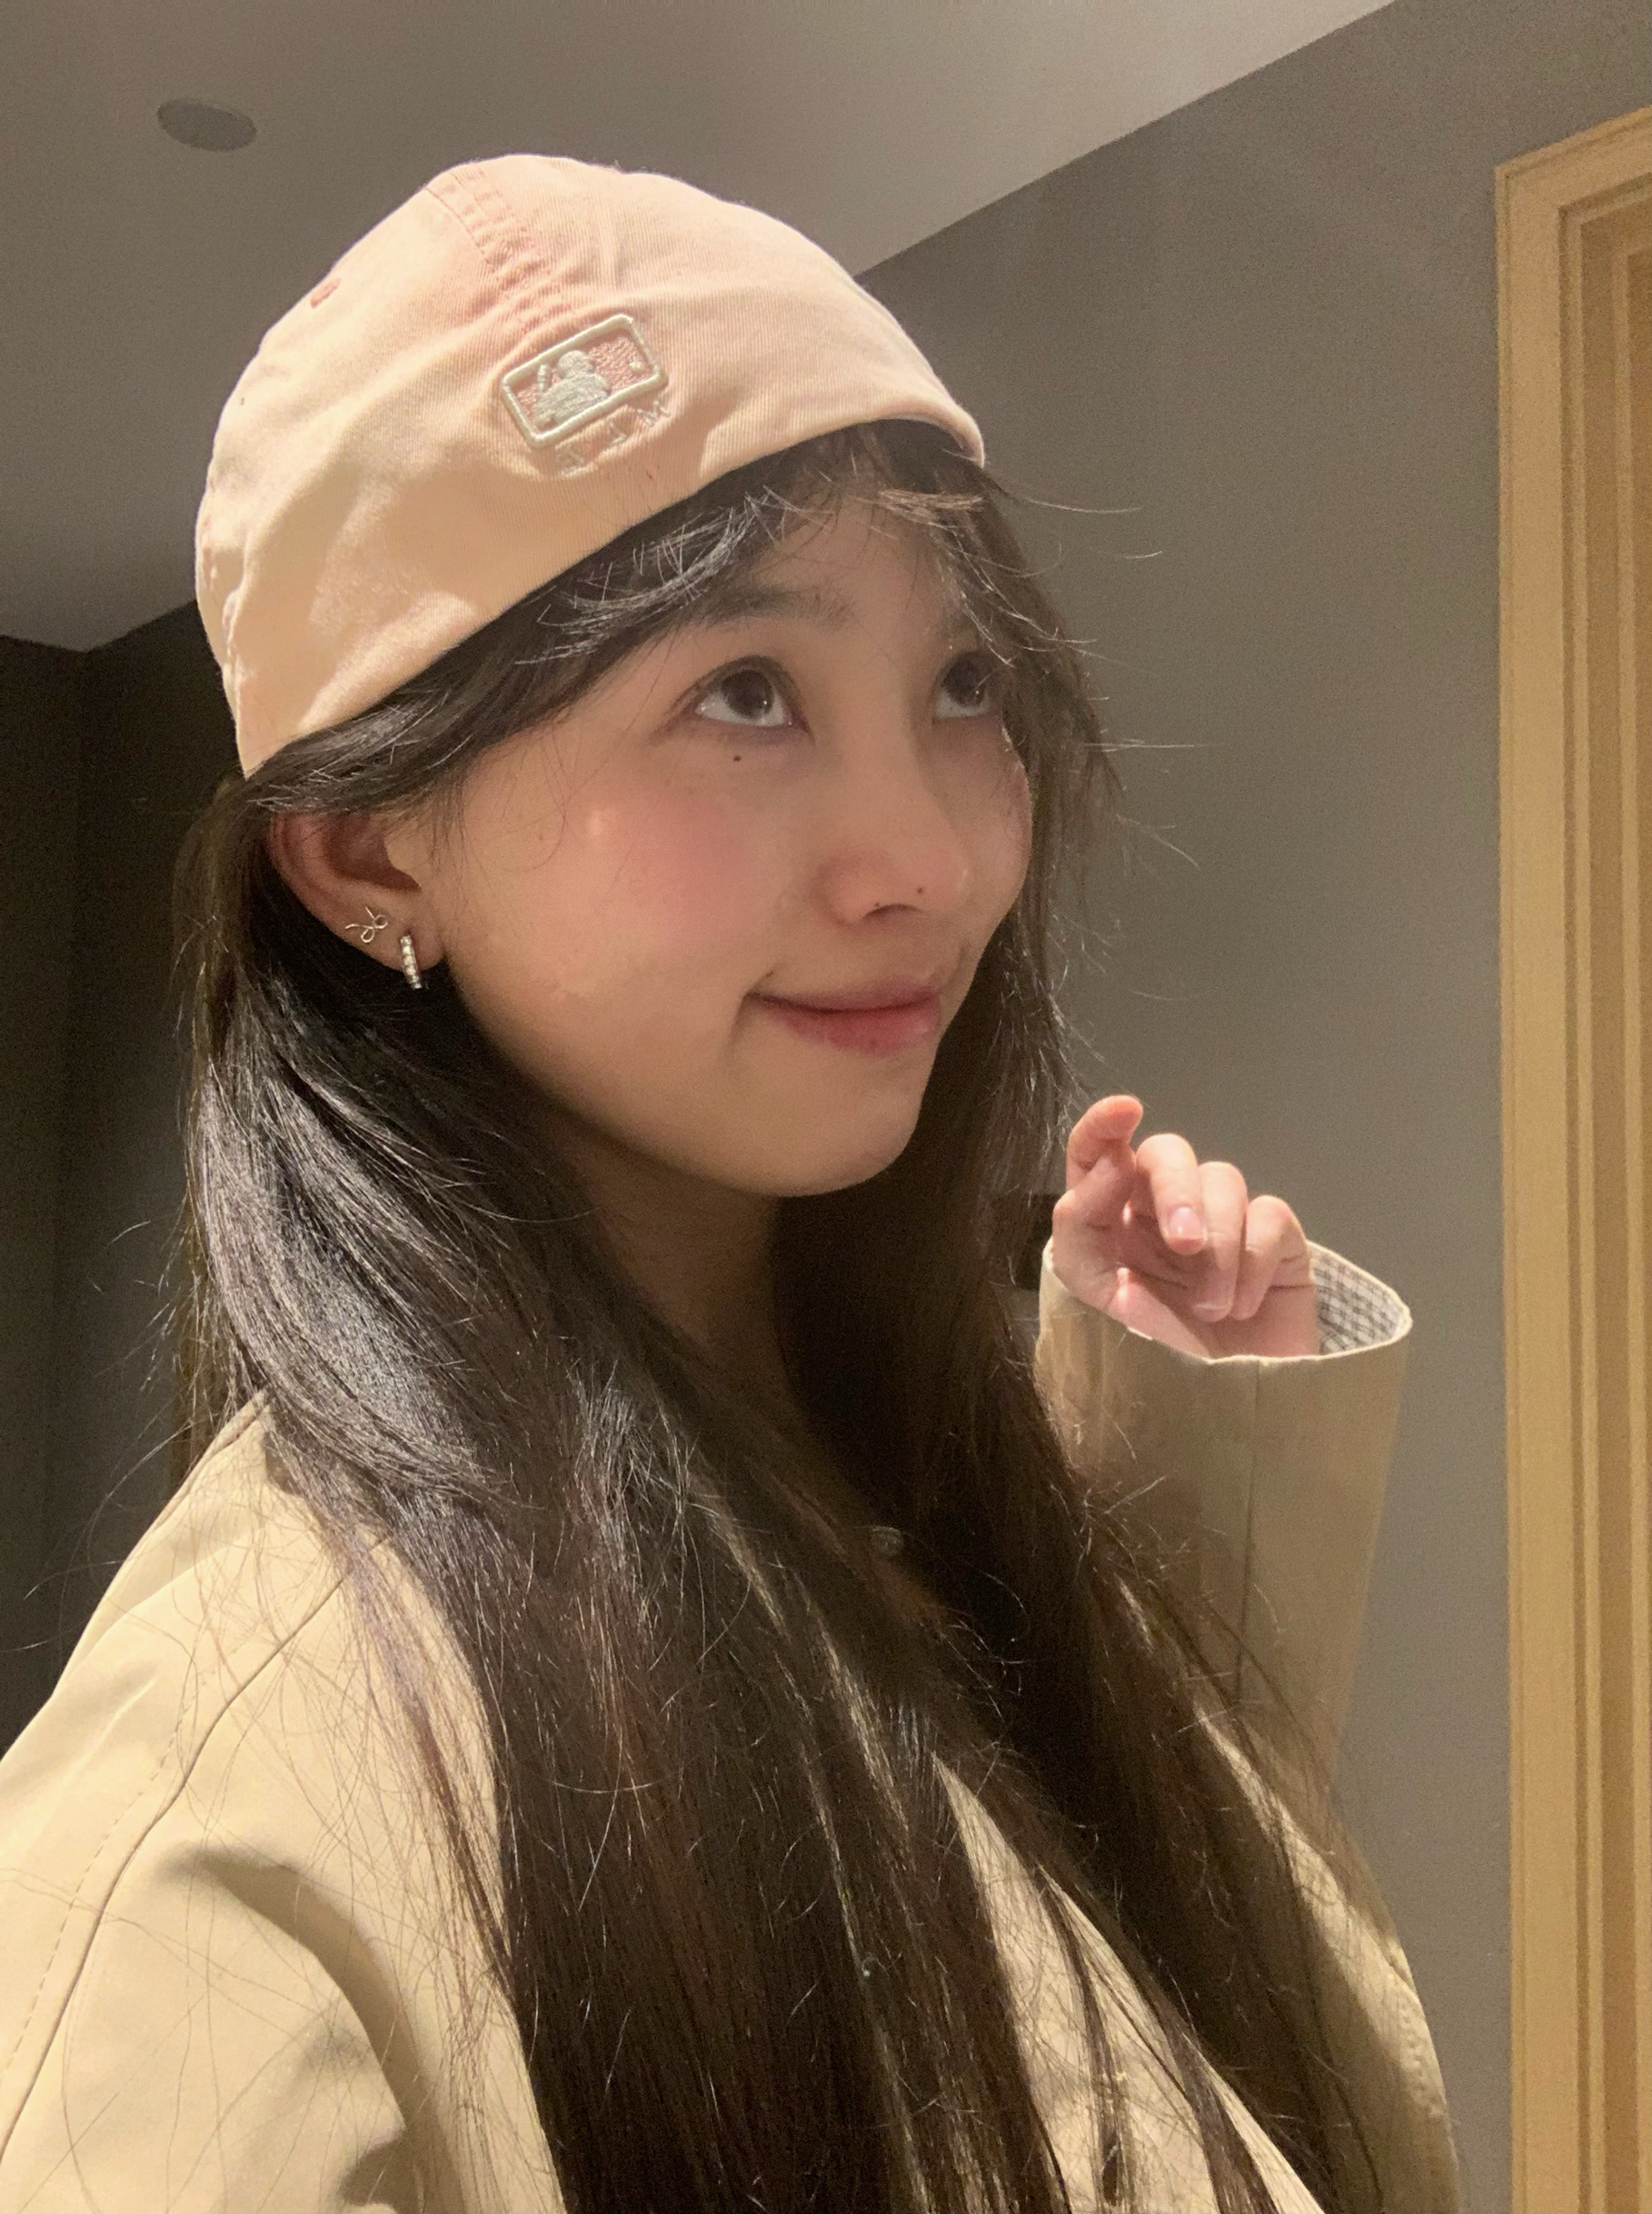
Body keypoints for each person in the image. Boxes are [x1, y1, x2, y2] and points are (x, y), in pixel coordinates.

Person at [0, 156, 1459, 2214]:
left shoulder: (874, 1456)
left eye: (964, 685)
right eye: (743, 694)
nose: (930, 858)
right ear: (372, 850)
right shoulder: (229, 1816)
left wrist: (1175, 1493)